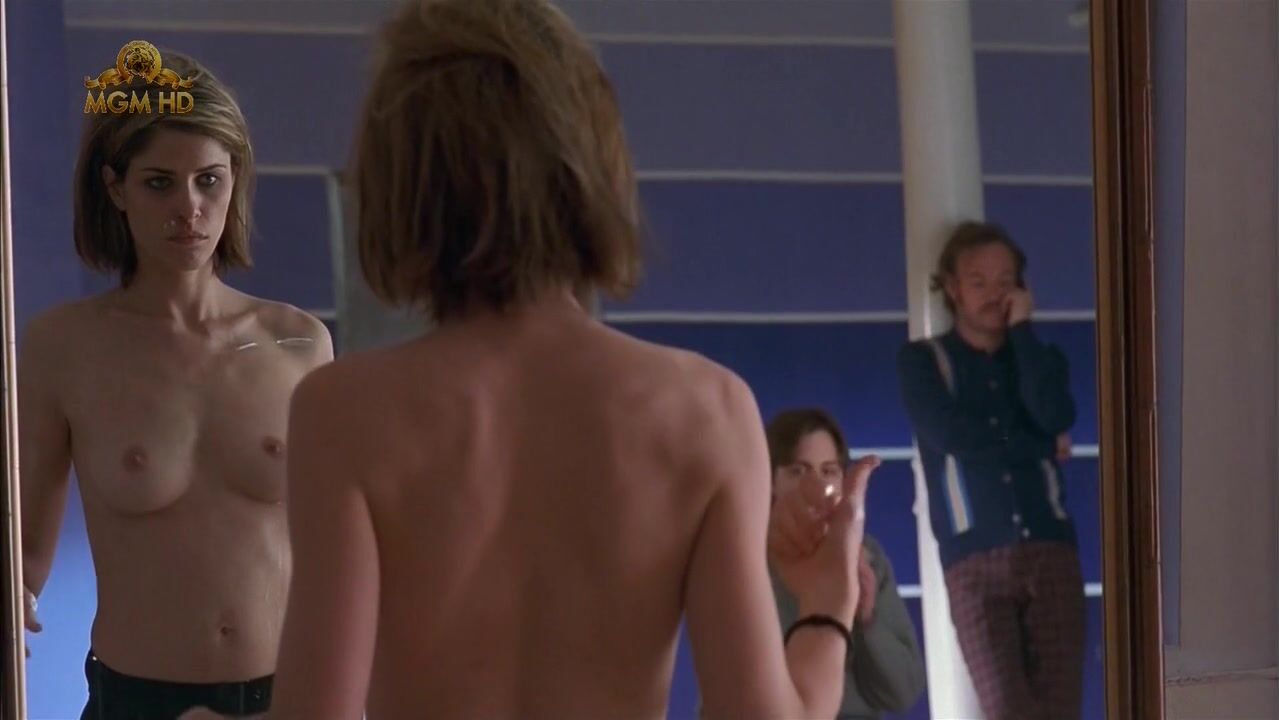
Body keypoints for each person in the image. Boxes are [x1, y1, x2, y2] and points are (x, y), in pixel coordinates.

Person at [182, 1, 880, 718]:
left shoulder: (344, 414)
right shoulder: (708, 412)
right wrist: (827, 604)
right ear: (591, 166)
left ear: (400, 180)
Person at [19, 51, 333, 719]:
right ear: (116, 188)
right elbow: (26, 555)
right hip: (137, 701)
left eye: (208, 181)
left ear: (233, 181)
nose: (189, 208)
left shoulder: (299, 343)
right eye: (160, 183)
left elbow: (336, 547)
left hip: (286, 697)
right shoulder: (62, 348)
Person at [897, 221, 1084, 719]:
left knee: (1061, 709)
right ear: (953, 288)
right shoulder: (923, 361)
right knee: (1007, 708)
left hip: (1050, 549)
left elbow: (1056, 414)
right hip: (973, 560)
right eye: (978, 281)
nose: (993, 294)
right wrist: (1039, 444)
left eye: (1006, 281)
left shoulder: (1040, 358)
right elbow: (956, 438)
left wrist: (1022, 331)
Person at [762, 409, 925, 719]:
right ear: (771, 480)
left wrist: (867, 619)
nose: (816, 486)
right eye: (798, 471)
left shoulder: (867, 557)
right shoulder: (744, 555)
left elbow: (903, 692)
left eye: (829, 471)